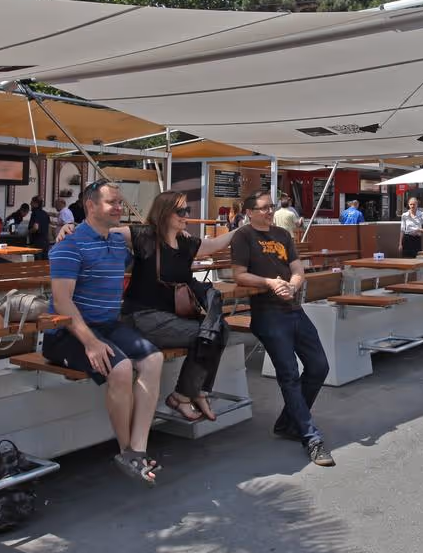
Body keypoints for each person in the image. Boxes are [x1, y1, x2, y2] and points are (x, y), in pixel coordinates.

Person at [42, 181, 167, 486]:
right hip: (65, 333)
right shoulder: (68, 246)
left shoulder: (116, 243)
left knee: (154, 360)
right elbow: (62, 302)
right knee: (121, 368)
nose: (119, 208)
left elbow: (145, 238)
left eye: (120, 203)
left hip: (108, 326)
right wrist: (90, 342)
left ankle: (138, 448)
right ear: (90, 205)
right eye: (112, 202)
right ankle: (126, 452)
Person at [232, 190, 334, 466]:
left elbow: (298, 270)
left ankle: (288, 422)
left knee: (319, 366)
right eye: (263, 208)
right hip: (267, 314)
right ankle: (311, 438)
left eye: (271, 206)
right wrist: (270, 283)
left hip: (294, 309)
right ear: (249, 212)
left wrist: (292, 285)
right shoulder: (243, 236)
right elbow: (238, 274)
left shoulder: (283, 235)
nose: (269, 211)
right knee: (289, 374)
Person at [122, 191, 235, 422]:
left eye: (187, 210)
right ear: (164, 213)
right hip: (142, 317)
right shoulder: (145, 236)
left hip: (170, 317)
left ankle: (196, 392)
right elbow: (103, 230)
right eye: (181, 211)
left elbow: (214, 244)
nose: (186, 215)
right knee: (208, 333)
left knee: (219, 328)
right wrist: (70, 227)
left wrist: (242, 229)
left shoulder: (184, 243)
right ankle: (185, 395)